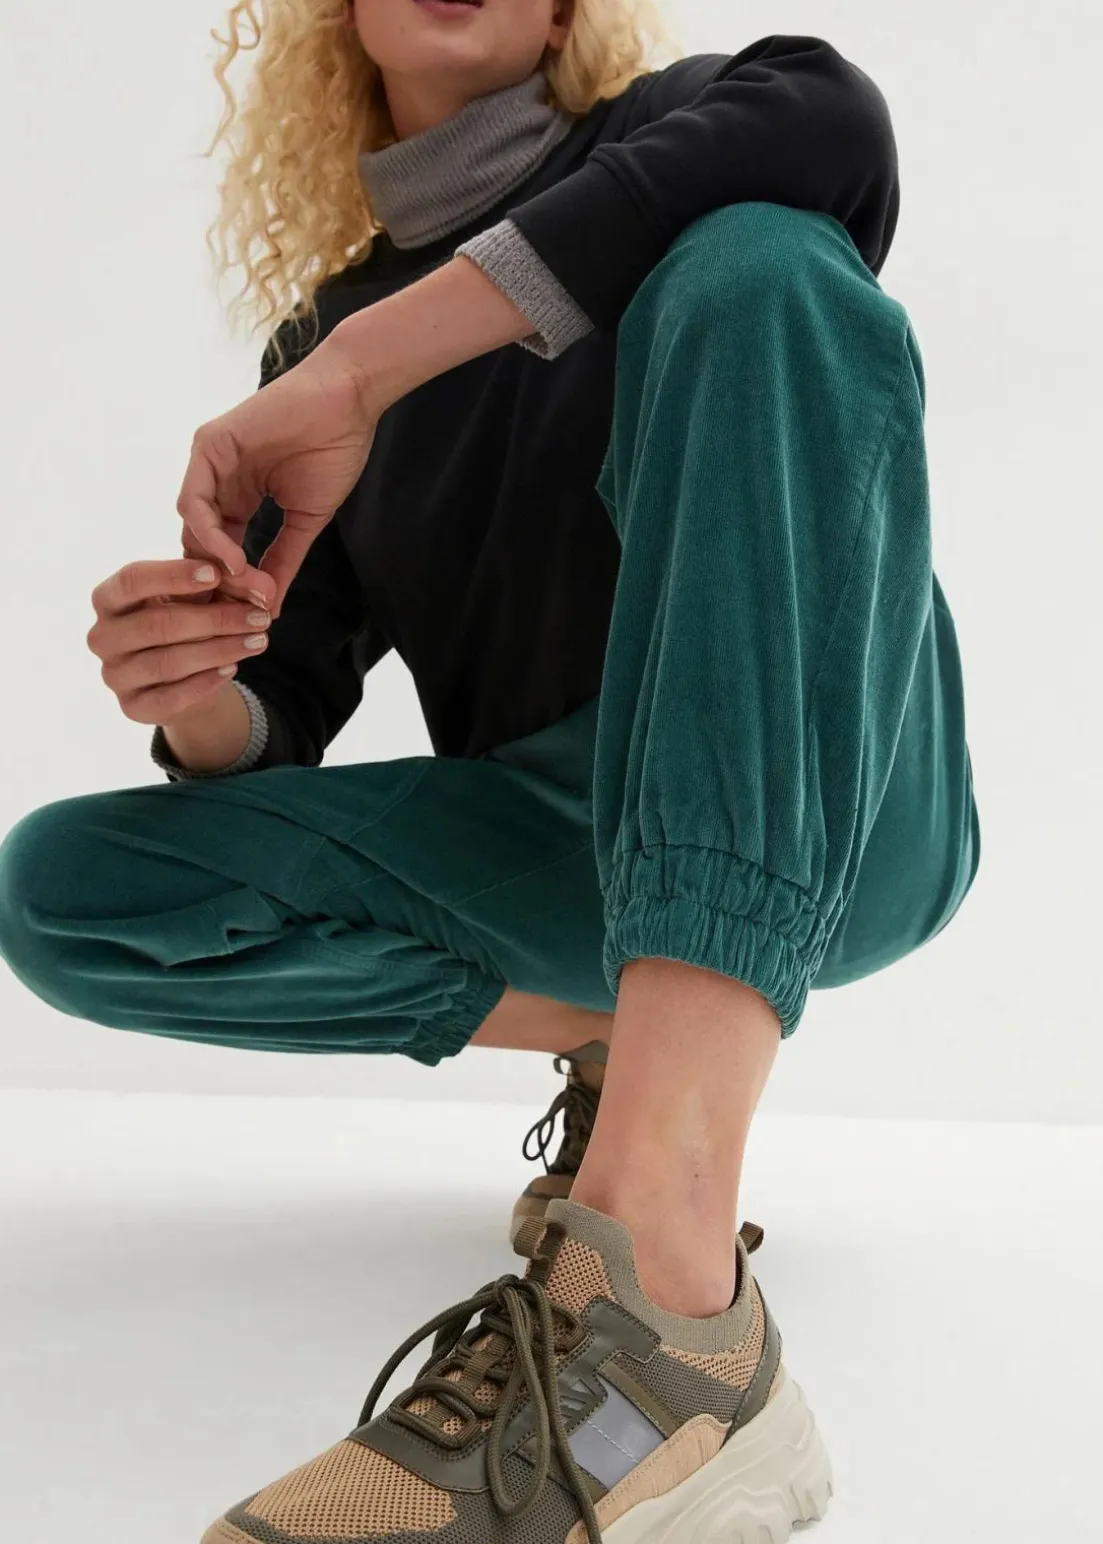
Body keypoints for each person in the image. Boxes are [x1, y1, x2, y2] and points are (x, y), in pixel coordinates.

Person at [0, 0, 981, 1540]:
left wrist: (363, 370)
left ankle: (661, 1299)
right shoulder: (310, 345)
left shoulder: (675, 134)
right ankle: (644, 1047)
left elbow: (833, 124)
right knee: (67, 889)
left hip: (851, 798)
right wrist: (197, 693)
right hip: (573, 845)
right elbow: (279, 714)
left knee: (759, 261)